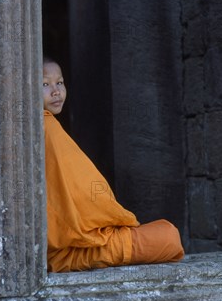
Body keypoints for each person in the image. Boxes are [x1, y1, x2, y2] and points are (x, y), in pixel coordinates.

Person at [43, 57, 184, 272]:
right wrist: (116, 218)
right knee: (168, 237)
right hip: (72, 246)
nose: (56, 91)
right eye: (45, 84)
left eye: (59, 83)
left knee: (165, 234)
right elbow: (84, 193)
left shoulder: (44, 125)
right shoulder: (47, 128)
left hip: (64, 242)